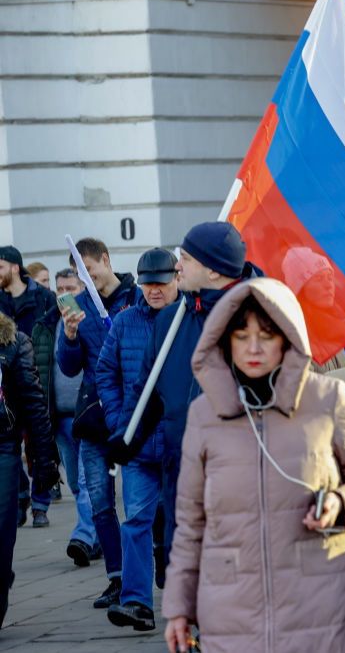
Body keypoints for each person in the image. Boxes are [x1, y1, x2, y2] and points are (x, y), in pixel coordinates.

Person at [162, 278, 345, 653]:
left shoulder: (328, 399)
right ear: (223, 340)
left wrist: (341, 505)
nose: (253, 348)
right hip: (229, 609)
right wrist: (178, 608)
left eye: (267, 335)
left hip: (320, 602)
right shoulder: (204, 414)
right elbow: (190, 523)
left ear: (287, 337)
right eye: (241, 335)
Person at [117, 222, 260, 588]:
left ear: (212, 269)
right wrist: (125, 438)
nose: (177, 267)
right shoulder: (170, 321)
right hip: (180, 466)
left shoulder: (256, 319)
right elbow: (147, 390)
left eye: (184, 259)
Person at [95, 249, 180, 631]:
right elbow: (106, 372)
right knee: (137, 521)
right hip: (136, 444)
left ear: (176, 278)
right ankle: (136, 602)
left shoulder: (191, 320)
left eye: (161, 282)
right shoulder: (125, 321)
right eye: (148, 283)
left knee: (181, 525)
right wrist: (118, 422)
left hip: (182, 444)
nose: (154, 290)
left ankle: (185, 604)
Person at [57, 237, 143, 609]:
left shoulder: (136, 297)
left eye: (89, 271)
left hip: (136, 413)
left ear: (105, 261)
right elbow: (69, 365)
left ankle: (147, 569)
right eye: (80, 274)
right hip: (94, 415)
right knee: (100, 503)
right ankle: (116, 577)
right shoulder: (79, 307)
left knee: (141, 502)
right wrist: (71, 338)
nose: (86, 279)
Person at [32, 269, 99, 565]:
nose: (63, 294)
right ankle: (96, 537)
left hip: (88, 415)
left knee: (86, 480)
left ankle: (84, 536)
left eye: (70, 287)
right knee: (74, 482)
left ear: (82, 288)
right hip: (59, 417)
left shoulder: (92, 321)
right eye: (60, 288)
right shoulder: (48, 324)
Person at [0, 310, 59, 629]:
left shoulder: (12, 342)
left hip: (3, 448)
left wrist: (44, 460)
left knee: (2, 533)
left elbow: (35, 405)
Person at [0, 247, 58, 527]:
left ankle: (40, 505)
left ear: (14, 267)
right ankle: (21, 492)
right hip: (7, 390)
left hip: (39, 380)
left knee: (38, 443)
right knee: (11, 445)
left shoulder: (44, 298)